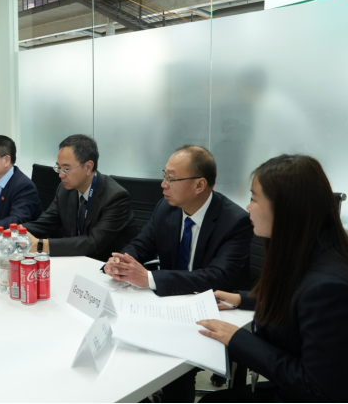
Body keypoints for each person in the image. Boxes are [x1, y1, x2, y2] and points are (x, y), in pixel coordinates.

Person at [197, 155, 348, 403]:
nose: (248, 207)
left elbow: (319, 390)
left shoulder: (328, 288)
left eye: (253, 198)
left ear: (285, 208)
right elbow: (298, 299)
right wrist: (243, 299)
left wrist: (238, 339)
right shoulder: (312, 251)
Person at [103, 145, 252, 403]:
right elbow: (142, 244)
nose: (163, 184)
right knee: (121, 340)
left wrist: (149, 279)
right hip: (171, 305)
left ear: (199, 185)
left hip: (215, 309)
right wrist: (121, 260)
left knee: (174, 362)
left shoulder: (235, 221)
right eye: (164, 175)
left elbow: (217, 276)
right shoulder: (166, 207)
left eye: (171, 178)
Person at [20, 134, 137, 262]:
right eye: (58, 168)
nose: (60, 175)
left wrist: (41, 245)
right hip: (76, 260)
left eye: (66, 169)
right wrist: (15, 232)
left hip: (106, 266)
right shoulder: (64, 190)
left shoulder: (115, 197)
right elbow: (45, 223)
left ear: (88, 167)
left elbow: (93, 243)